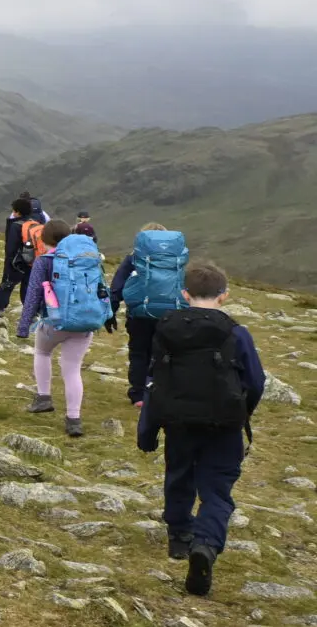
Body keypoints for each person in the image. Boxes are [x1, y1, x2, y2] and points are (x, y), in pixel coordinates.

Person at [137, 261, 265, 597]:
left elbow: (156, 379)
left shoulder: (165, 328)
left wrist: (150, 426)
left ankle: (179, 536)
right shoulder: (237, 333)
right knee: (217, 489)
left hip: (178, 420)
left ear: (184, 293)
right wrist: (241, 411)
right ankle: (205, 545)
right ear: (224, 296)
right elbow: (256, 381)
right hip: (224, 425)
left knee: (178, 473)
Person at [15, 219, 110, 436]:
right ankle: (74, 420)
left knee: (42, 352)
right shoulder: (88, 259)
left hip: (54, 322)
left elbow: (32, 296)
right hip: (85, 323)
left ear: (44, 238)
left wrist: (23, 326)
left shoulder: (44, 261)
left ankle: (43, 398)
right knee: (72, 369)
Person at [111, 223, 187, 407]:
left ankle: (139, 395)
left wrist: (111, 310)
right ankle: (159, 390)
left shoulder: (134, 258)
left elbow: (118, 285)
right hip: (171, 313)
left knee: (139, 353)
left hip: (139, 314)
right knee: (164, 353)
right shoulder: (177, 258)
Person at [0, 196, 46, 318]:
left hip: (17, 263)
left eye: (14, 210)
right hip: (33, 262)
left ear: (17, 212)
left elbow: (11, 248)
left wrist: (8, 266)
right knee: (28, 288)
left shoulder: (16, 226)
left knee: (6, 285)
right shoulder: (35, 225)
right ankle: (32, 313)